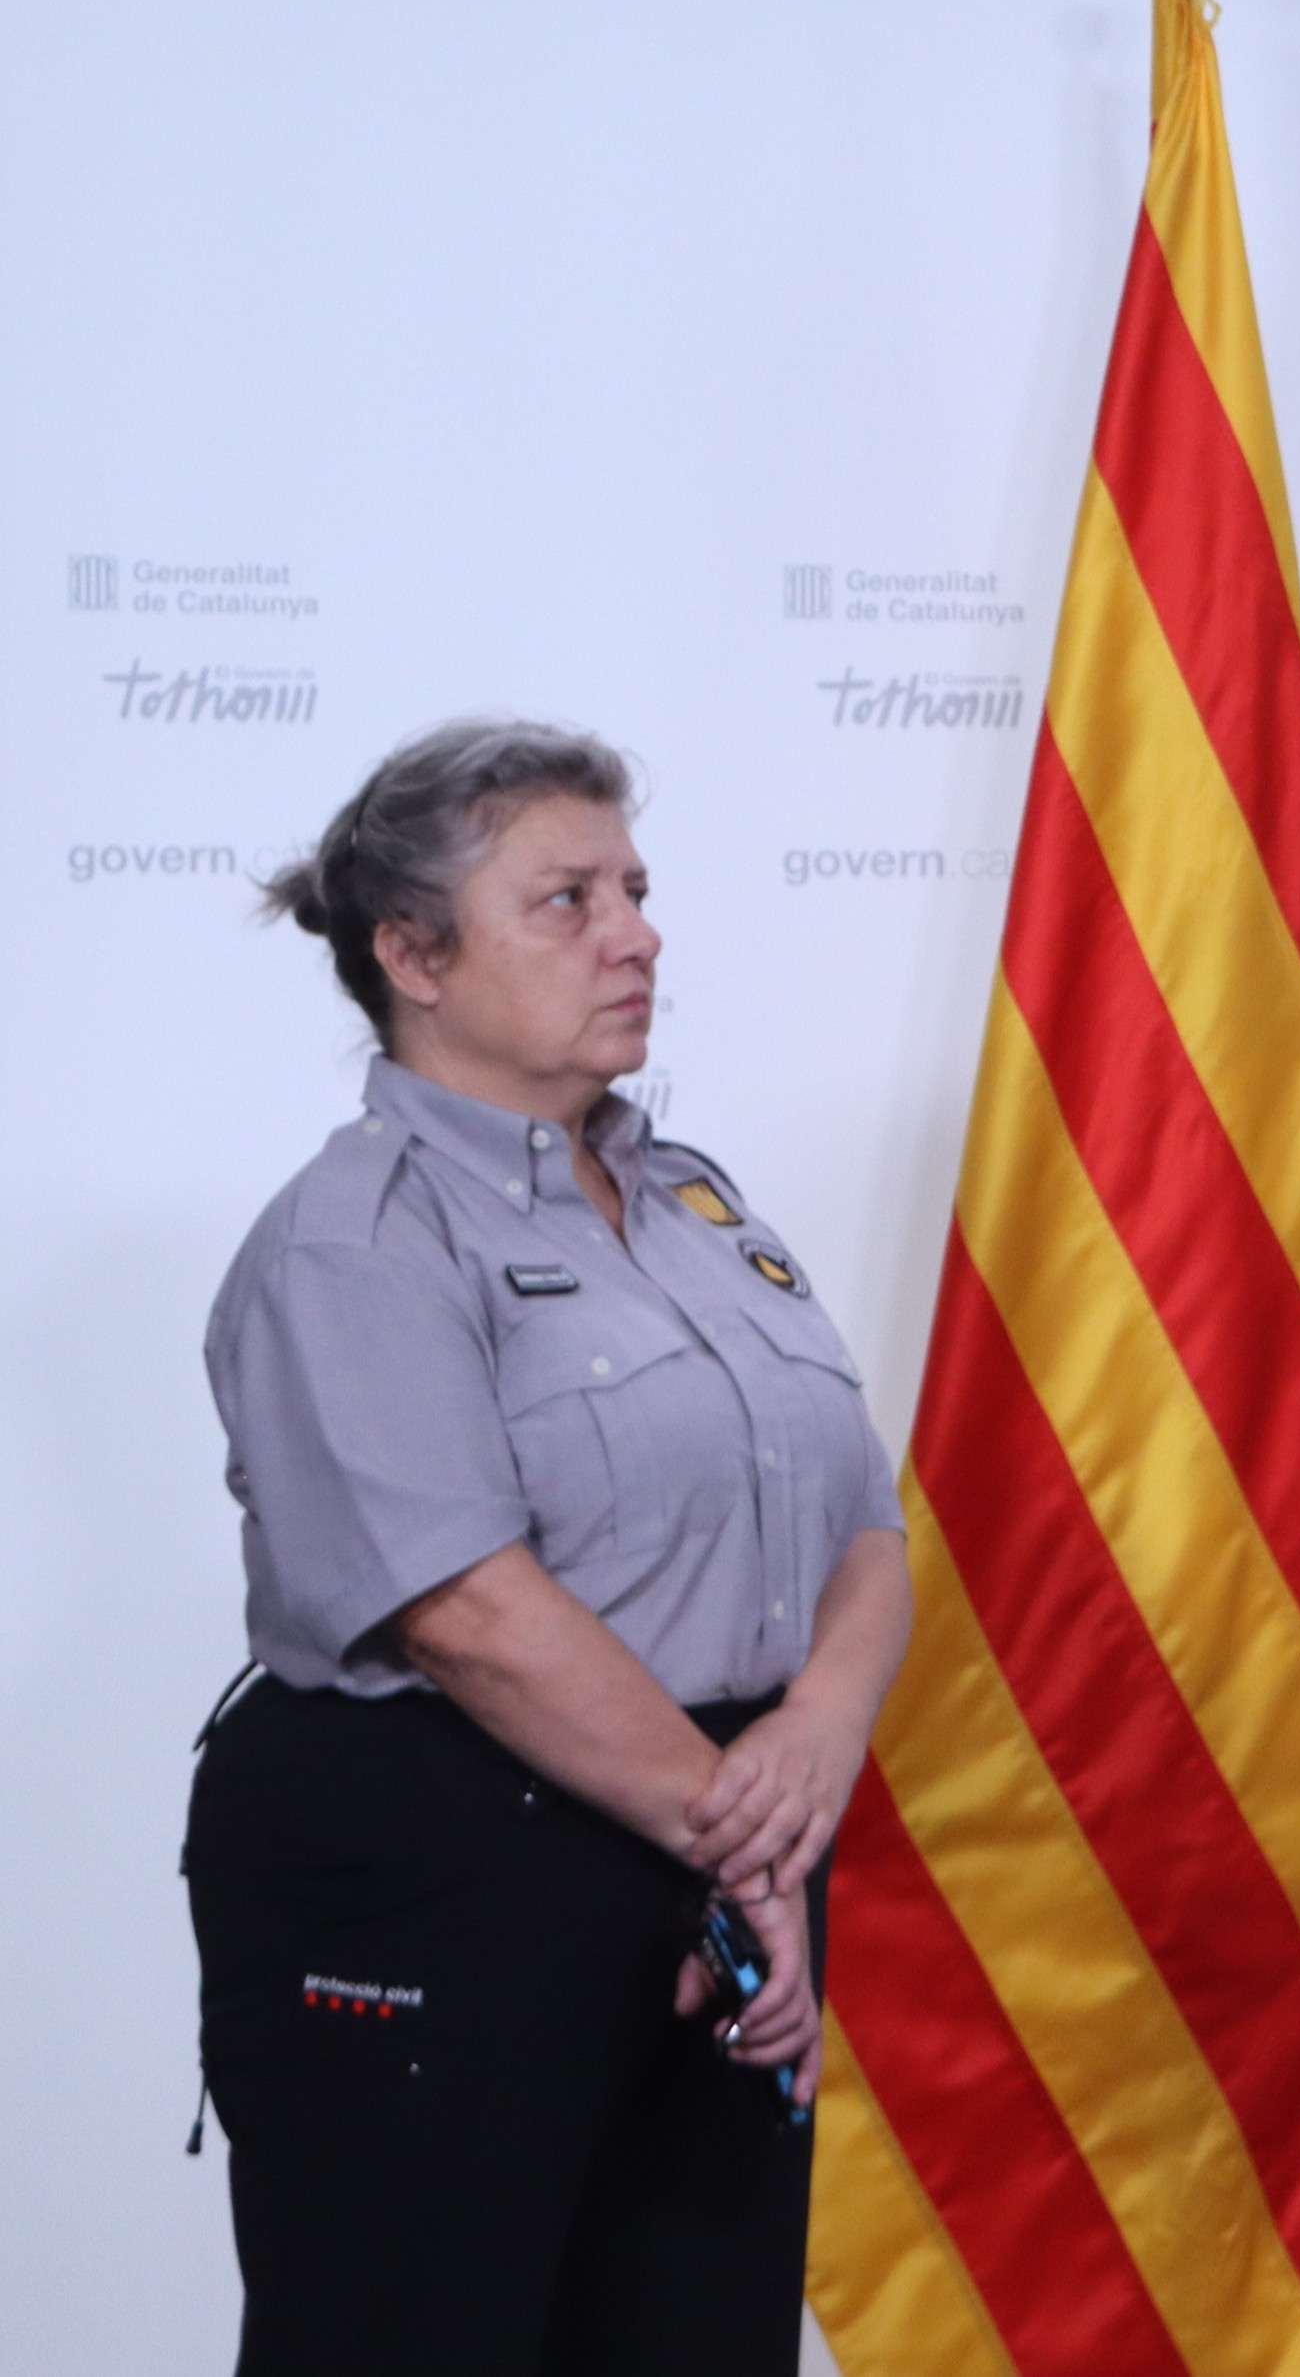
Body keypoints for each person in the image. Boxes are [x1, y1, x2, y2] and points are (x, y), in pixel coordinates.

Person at [185, 720, 913, 2377]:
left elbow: (861, 1519)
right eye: (566, 897)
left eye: (636, 889)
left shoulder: (695, 1201)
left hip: (713, 1843)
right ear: (412, 952)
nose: (635, 931)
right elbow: (465, 1610)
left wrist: (807, 1743)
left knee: (694, 2340)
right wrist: (749, 1853)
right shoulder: (353, 1240)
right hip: (453, 1858)